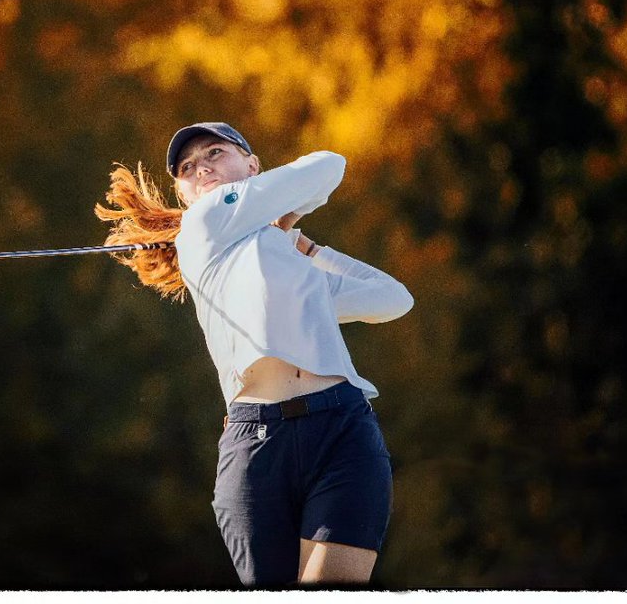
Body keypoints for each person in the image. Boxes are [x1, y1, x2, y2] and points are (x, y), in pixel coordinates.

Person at [96, 121, 414, 587]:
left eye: (215, 153)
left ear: (252, 164)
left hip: (342, 430)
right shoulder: (202, 226)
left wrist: (302, 244)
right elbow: (324, 168)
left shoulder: (294, 268)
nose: (201, 168)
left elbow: (392, 298)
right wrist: (282, 210)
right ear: (184, 195)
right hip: (258, 443)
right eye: (187, 167)